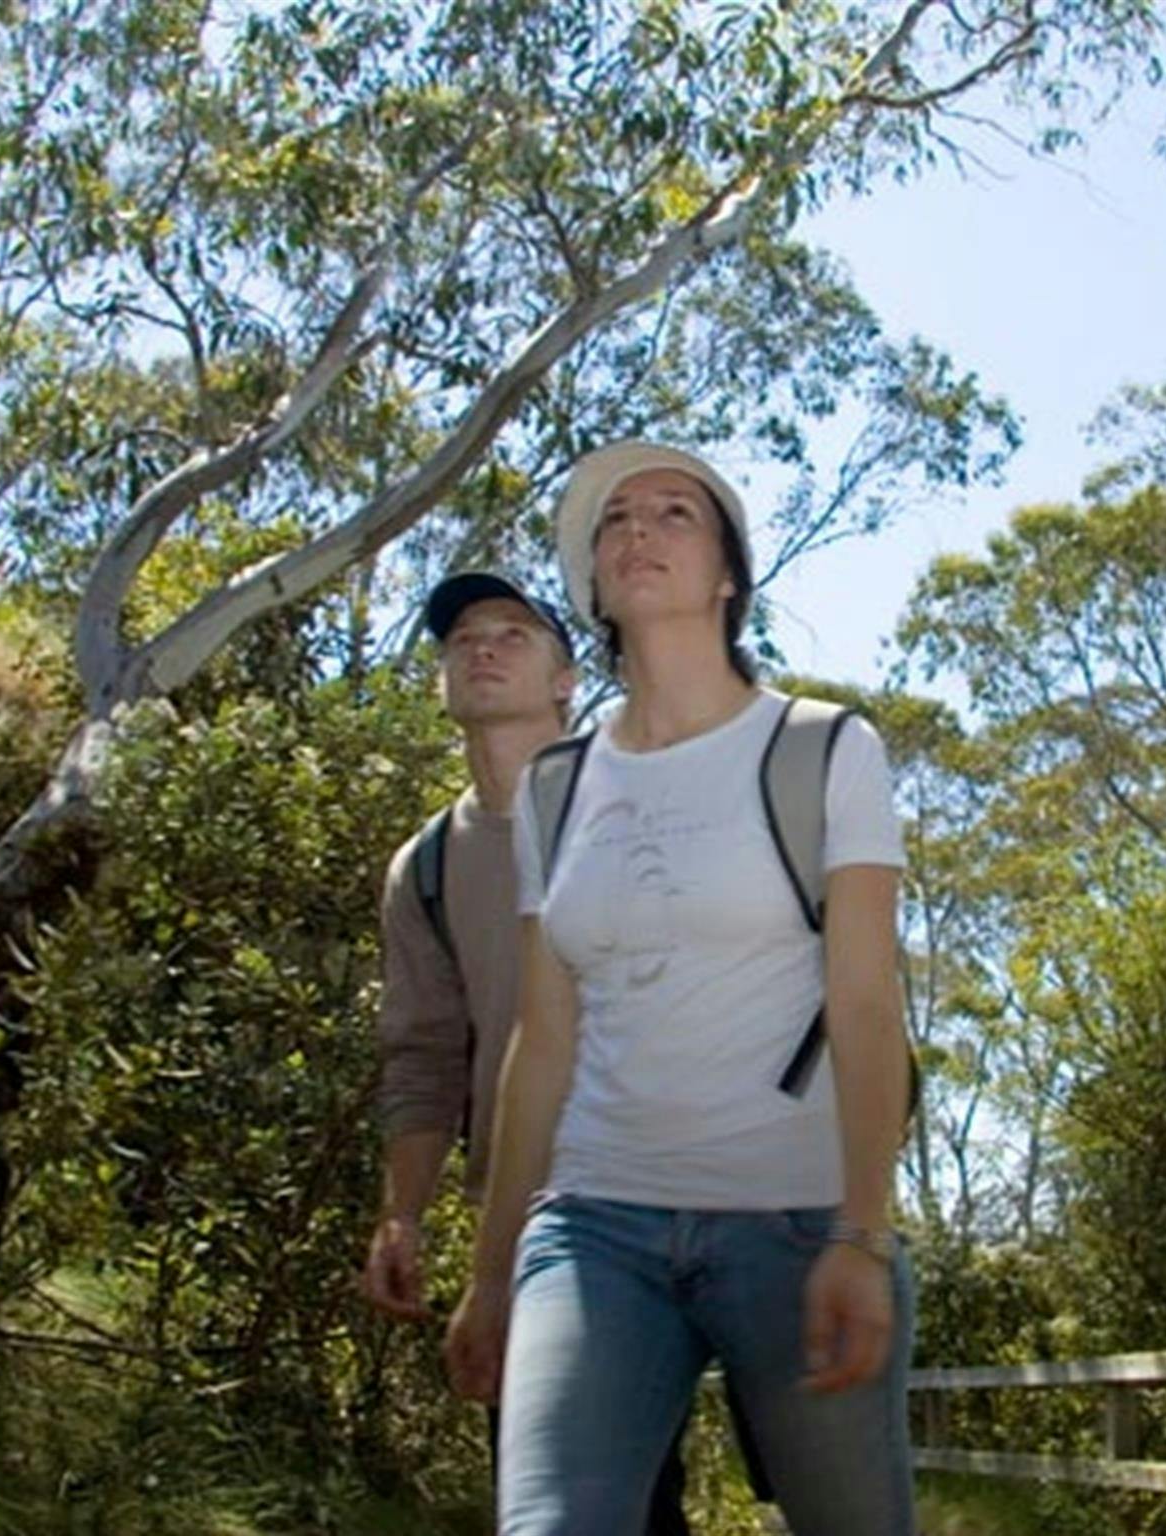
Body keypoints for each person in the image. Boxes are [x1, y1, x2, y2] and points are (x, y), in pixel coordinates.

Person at [444, 442, 917, 1535]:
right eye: (614, 521)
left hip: (797, 1227)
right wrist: (491, 1267)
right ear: (595, 584)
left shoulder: (823, 748)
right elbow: (543, 1040)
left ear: (725, 577)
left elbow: (861, 1006)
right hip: (595, 1226)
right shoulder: (554, 789)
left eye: (673, 514)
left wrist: (861, 1231)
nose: (638, 531)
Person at [358, 570, 697, 1535]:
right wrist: (406, 1218)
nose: (483, 646)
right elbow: (423, 1054)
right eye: (463, 636)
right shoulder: (423, 867)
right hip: (532, 1229)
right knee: (557, 1493)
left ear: (565, 682)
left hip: (694, 1195)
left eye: (514, 632)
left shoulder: (650, 805)